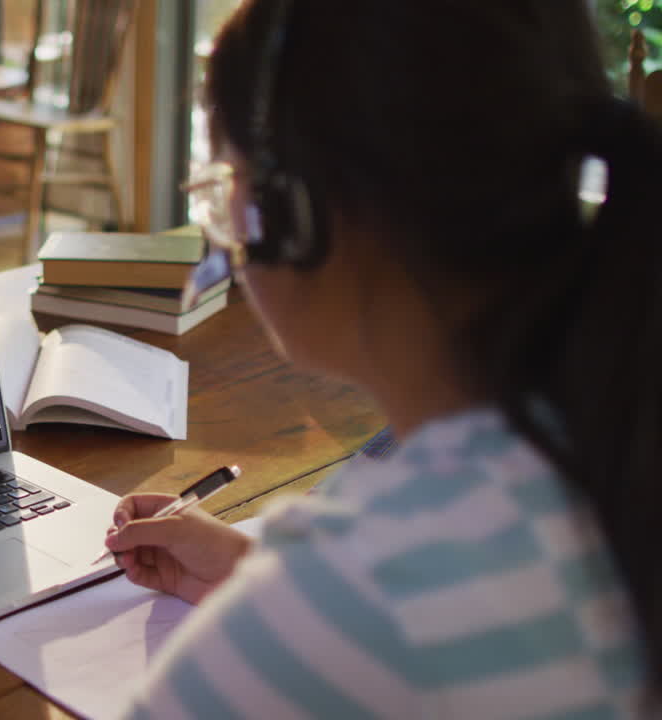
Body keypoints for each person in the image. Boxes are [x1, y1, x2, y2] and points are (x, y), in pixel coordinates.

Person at [103, 1, 658, 716]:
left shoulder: (359, 592)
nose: (228, 237)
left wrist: (300, 613)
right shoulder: (608, 439)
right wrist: (262, 579)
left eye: (224, 187)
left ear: (298, 211)